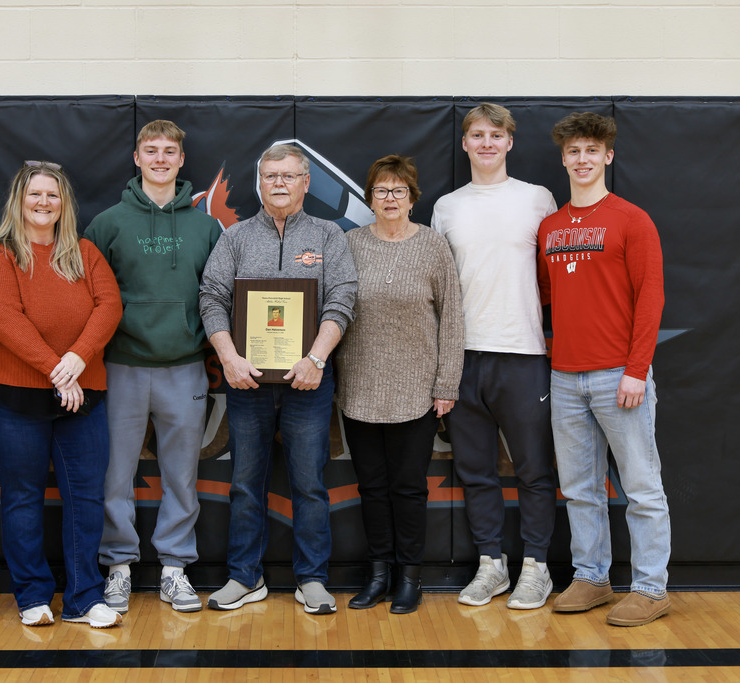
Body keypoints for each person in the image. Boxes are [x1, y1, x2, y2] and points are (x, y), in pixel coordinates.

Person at [200, 143, 357, 615]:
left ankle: (312, 578)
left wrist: (315, 358)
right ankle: (244, 577)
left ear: (306, 182)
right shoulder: (236, 237)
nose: (279, 184)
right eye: (270, 176)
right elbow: (211, 297)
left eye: (289, 176)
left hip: (308, 383)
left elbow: (342, 300)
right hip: (246, 383)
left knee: (308, 483)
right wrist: (228, 358)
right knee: (246, 482)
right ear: (259, 183)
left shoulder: (329, 236)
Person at [0, 161, 123, 628]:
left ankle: (83, 597)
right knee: (22, 496)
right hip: (13, 398)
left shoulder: (84, 252)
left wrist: (78, 357)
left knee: (85, 498)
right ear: (19, 200)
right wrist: (60, 371)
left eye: (52, 196)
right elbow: (3, 318)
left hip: (83, 397)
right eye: (35, 194)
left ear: (64, 204)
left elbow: (110, 304)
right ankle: (33, 595)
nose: (43, 203)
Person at [85, 120, 222, 614]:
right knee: (114, 473)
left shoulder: (206, 226)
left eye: (169, 151)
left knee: (181, 474)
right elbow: (87, 295)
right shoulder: (107, 223)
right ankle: (118, 567)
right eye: (151, 151)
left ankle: (174, 569)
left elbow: (218, 296)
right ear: (137, 158)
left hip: (184, 366)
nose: (161, 158)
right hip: (120, 365)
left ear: (182, 160)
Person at [539, 112, 671, 627]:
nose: (583, 158)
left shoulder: (632, 219)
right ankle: (592, 577)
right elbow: (547, 297)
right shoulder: (550, 228)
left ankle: (650, 587)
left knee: (641, 486)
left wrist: (637, 369)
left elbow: (651, 297)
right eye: (574, 151)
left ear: (608, 156)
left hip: (620, 374)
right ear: (564, 158)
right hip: (565, 376)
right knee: (579, 488)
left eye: (592, 150)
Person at [431, 103, 559, 610]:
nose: (486, 143)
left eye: (496, 135)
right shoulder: (447, 206)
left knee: (533, 469)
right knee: (477, 469)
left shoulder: (537, 199)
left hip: (524, 354)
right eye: (477, 135)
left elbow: (554, 276)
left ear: (510, 142)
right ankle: (491, 565)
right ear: (464, 144)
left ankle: (536, 567)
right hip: (463, 356)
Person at [335, 155, 464, 614]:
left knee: (408, 488)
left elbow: (451, 319)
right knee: (371, 487)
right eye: (381, 191)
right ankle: (378, 575)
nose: (390, 199)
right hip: (359, 387)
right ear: (369, 198)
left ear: (413, 198)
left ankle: (410, 578)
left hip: (417, 390)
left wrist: (446, 383)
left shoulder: (432, 246)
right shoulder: (348, 243)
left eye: (399, 191)